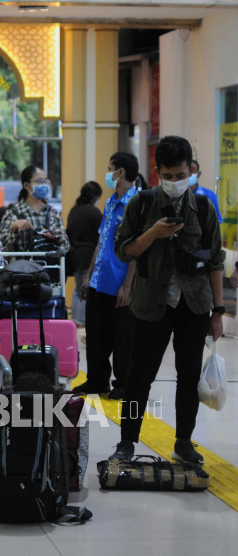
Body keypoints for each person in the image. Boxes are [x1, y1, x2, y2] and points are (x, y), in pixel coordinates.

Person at [110, 135, 225, 464]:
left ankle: (184, 442)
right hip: (150, 305)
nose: (175, 181)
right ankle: (127, 442)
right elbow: (123, 251)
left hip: (194, 305)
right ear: (157, 171)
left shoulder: (203, 207)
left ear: (191, 169)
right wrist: (152, 233)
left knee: (188, 377)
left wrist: (218, 312)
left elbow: (215, 261)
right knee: (138, 378)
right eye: (168, 176)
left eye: (181, 174)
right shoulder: (141, 204)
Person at [73, 153, 139, 400]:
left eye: (110, 168)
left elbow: (136, 248)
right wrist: (88, 276)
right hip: (100, 280)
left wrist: (127, 286)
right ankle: (97, 380)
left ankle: (123, 383)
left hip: (120, 283)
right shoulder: (111, 202)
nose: (107, 173)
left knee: (122, 337)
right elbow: (101, 242)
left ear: (120, 172)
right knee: (97, 333)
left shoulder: (135, 203)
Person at [0, 165, 70, 254]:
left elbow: (66, 247)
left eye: (46, 181)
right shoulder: (13, 213)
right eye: (39, 181)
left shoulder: (53, 212)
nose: (44, 185)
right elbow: (0, 247)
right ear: (26, 185)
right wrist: (14, 227)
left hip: (49, 266)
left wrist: (57, 236)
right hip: (22, 267)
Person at [66, 181, 103, 327]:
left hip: (74, 255)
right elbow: (101, 237)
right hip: (88, 255)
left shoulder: (74, 210)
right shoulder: (94, 212)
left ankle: (76, 319)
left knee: (77, 288)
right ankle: (80, 321)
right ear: (94, 196)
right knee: (84, 288)